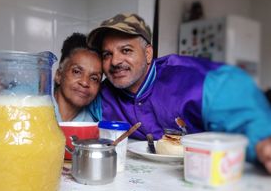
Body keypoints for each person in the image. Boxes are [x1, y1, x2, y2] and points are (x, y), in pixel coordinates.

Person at [86, 13, 271, 174]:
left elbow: (245, 117)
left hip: (203, 180)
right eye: (106, 54)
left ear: (148, 53)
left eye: (126, 50)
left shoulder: (198, 81)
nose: (115, 61)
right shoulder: (101, 96)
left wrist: (261, 142)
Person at [0, 33, 103, 122]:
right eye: (77, 71)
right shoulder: (29, 98)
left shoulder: (90, 122)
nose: (85, 82)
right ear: (59, 75)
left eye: (95, 78)